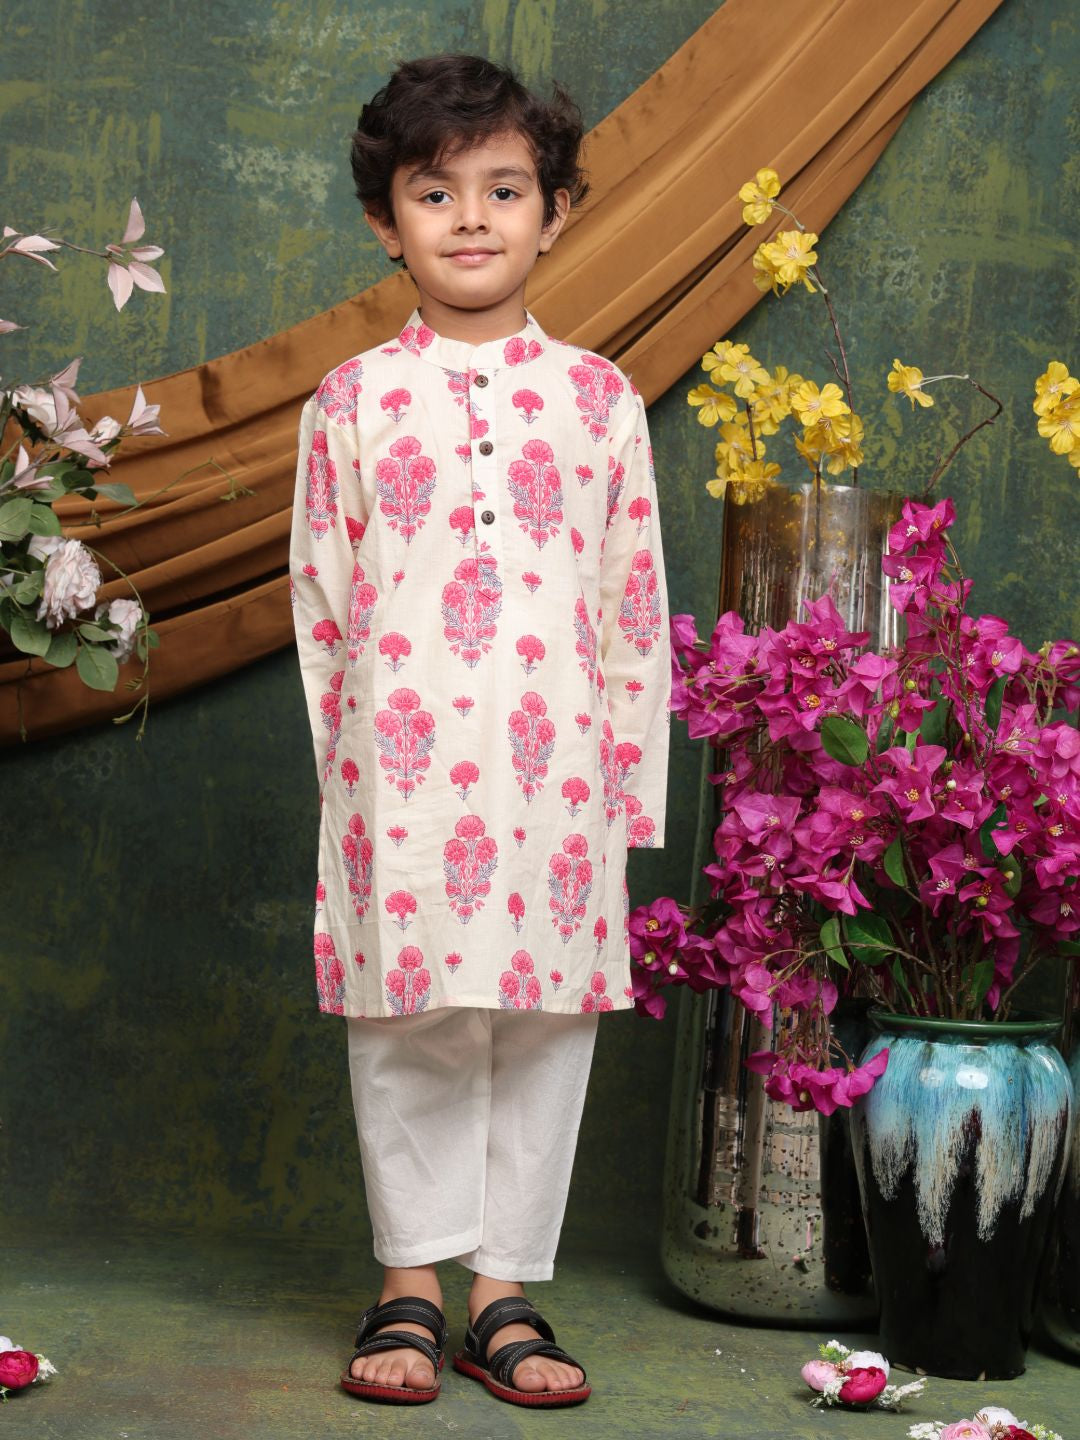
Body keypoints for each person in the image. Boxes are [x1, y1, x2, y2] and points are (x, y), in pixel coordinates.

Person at [289, 53, 671, 1409]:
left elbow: (636, 606)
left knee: (543, 1025)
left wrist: (630, 796)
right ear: (387, 221)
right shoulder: (349, 400)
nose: (469, 217)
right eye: (433, 191)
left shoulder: (597, 400)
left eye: (503, 189)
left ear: (554, 213)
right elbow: (321, 603)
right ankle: (409, 1280)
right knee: (410, 1025)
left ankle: (505, 1290)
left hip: (561, 778)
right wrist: (350, 784)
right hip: (399, 781)